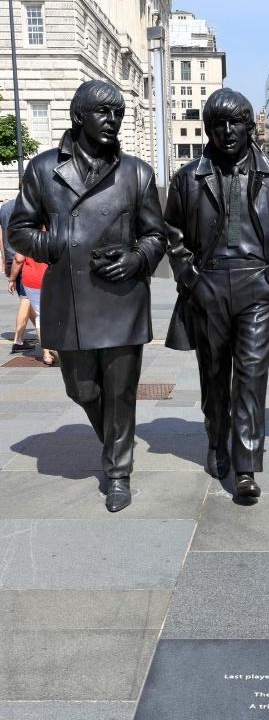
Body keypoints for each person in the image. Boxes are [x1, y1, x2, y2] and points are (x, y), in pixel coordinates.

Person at [8, 80, 166, 512]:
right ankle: (117, 440)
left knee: (120, 392)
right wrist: (52, 245)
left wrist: (136, 259)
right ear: (79, 116)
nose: (112, 120)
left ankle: (118, 471)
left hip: (123, 298)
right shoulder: (43, 170)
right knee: (82, 390)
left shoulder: (136, 173)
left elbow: (157, 235)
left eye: (117, 113)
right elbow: (18, 228)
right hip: (71, 299)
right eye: (103, 112)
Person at [164, 88, 269, 499]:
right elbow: (172, 234)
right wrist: (191, 278)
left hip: (257, 287)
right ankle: (214, 439)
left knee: (251, 378)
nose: (227, 131)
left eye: (236, 122)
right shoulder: (188, 177)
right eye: (218, 124)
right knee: (214, 376)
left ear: (249, 126)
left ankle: (245, 465)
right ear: (208, 128)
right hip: (208, 286)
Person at [0, 198, 36, 353]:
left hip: (10, 257)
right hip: (25, 258)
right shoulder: (30, 206)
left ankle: (43, 333)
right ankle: (18, 340)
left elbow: (1, 237)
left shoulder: (5, 207)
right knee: (26, 298)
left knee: (30, 298)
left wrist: (4, 259)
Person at [7, 251, 55, 365]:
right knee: (56, 313)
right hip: (52, 277)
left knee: (40, 315)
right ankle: (59, 349)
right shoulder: (55, 233)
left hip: (32, 280)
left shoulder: (26, 234)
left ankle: (46, 354)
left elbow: (18, 259)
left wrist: (12, 279)